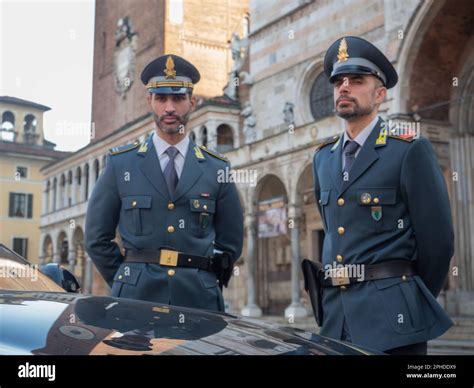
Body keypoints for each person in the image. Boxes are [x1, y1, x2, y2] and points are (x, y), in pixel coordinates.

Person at [310, 36, 454, 354]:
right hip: (337, 318)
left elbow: (439, 243)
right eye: (338, 81)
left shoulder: (408, 149)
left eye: (357, 80)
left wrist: (404, 293)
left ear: (380, 95)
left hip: (393, 321)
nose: (344, 87)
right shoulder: (322, 158)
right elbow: (335, 229)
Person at [85, 54, 244, 312]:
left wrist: (206, 278)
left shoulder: (217, 168)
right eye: (161, 99)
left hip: (198, 301)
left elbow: (231, 242)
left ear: (192, 102)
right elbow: (96, 238)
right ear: (150, 102)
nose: (169, 108)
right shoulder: (121, 164)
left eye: (178, 98)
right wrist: (128, 278)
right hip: (135, 300)